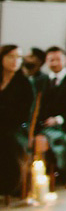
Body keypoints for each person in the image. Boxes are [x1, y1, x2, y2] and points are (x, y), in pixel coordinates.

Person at [35, 46, 66, 183]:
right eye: (51, 60)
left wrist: (58, 119)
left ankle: (62, 171)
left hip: (64, 124)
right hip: (42, 124)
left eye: (58, 59)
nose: (55, 63)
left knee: (62, 139)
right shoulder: (40, 81)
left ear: (65, 59)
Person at [1, 45, 34, 195]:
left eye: (19, 57)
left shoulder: (24, 83)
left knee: (7, 140)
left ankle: (8, 186)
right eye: (11, 57)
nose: (15, 61)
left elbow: (22, 114)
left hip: (15, 127)